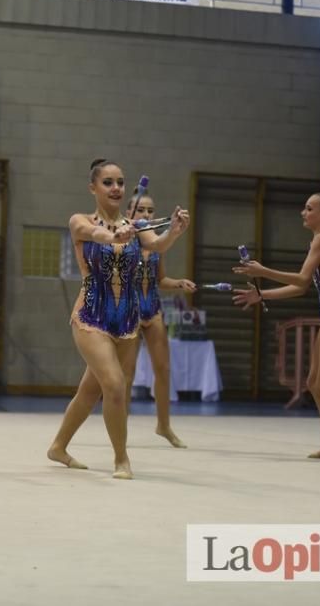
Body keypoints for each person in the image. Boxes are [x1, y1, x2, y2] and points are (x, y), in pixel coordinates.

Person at [47, 159, 189, 479]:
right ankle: (121, 459)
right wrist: (114, 237)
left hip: (127, 319)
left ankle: (58, 446)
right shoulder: (79, 220)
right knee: (114, 385)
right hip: (91, 316)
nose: (116, 188)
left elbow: (158, 244)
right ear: (93, 188)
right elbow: (95, 233)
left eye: (120, 182)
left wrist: (175, 231)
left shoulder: (136, 227)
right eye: (108, 182)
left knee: (90, 391)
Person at [232, 186, 320, 462]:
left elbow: (302, 279)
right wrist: (262, 295)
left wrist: (263, 271)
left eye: (309, 209)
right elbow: (301, 287)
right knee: (314, 383)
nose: (303, 212)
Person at [121, 192, 195, 448]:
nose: (146, 215)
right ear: (129, 212)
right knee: (126, 374)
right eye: (140, 210)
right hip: (129, 311)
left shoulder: (156, 244)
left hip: (152, 309)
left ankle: (163, 425)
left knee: (163, 369)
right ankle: (121, 426)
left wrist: (178, 283)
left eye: (150, 211)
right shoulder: (124, 240)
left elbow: (160, 279)